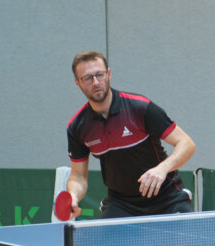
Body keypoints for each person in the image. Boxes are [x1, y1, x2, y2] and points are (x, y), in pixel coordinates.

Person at [66, 51, 196, 219]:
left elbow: (186, 143)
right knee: (104, 245)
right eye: (88, 78)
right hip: (121, 204)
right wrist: (73, 196)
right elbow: (78, 176)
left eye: (100, 75)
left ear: (109, 74)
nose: (96, 82)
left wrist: (162, 169)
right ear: (78, 83)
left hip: (166, 197)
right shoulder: (78, 126)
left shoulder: (140, 108)